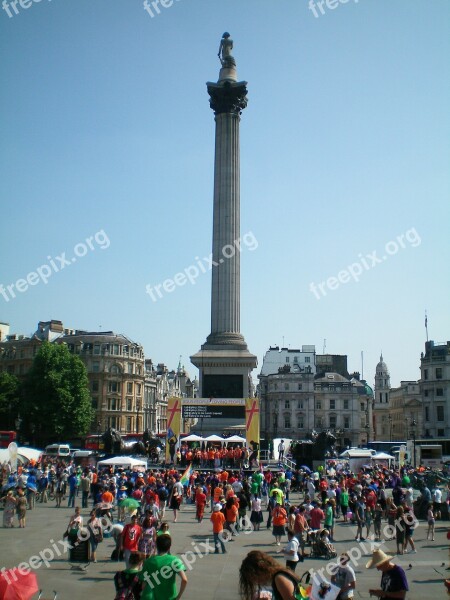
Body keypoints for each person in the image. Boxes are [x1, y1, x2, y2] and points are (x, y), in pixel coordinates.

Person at [139, 534, 187, 600]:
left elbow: (144, 585)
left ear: (156, 545)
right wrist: (178, 596)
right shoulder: (174, 561)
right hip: (170, 597)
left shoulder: (148, 562)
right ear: (169, 547)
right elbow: (184, 580)